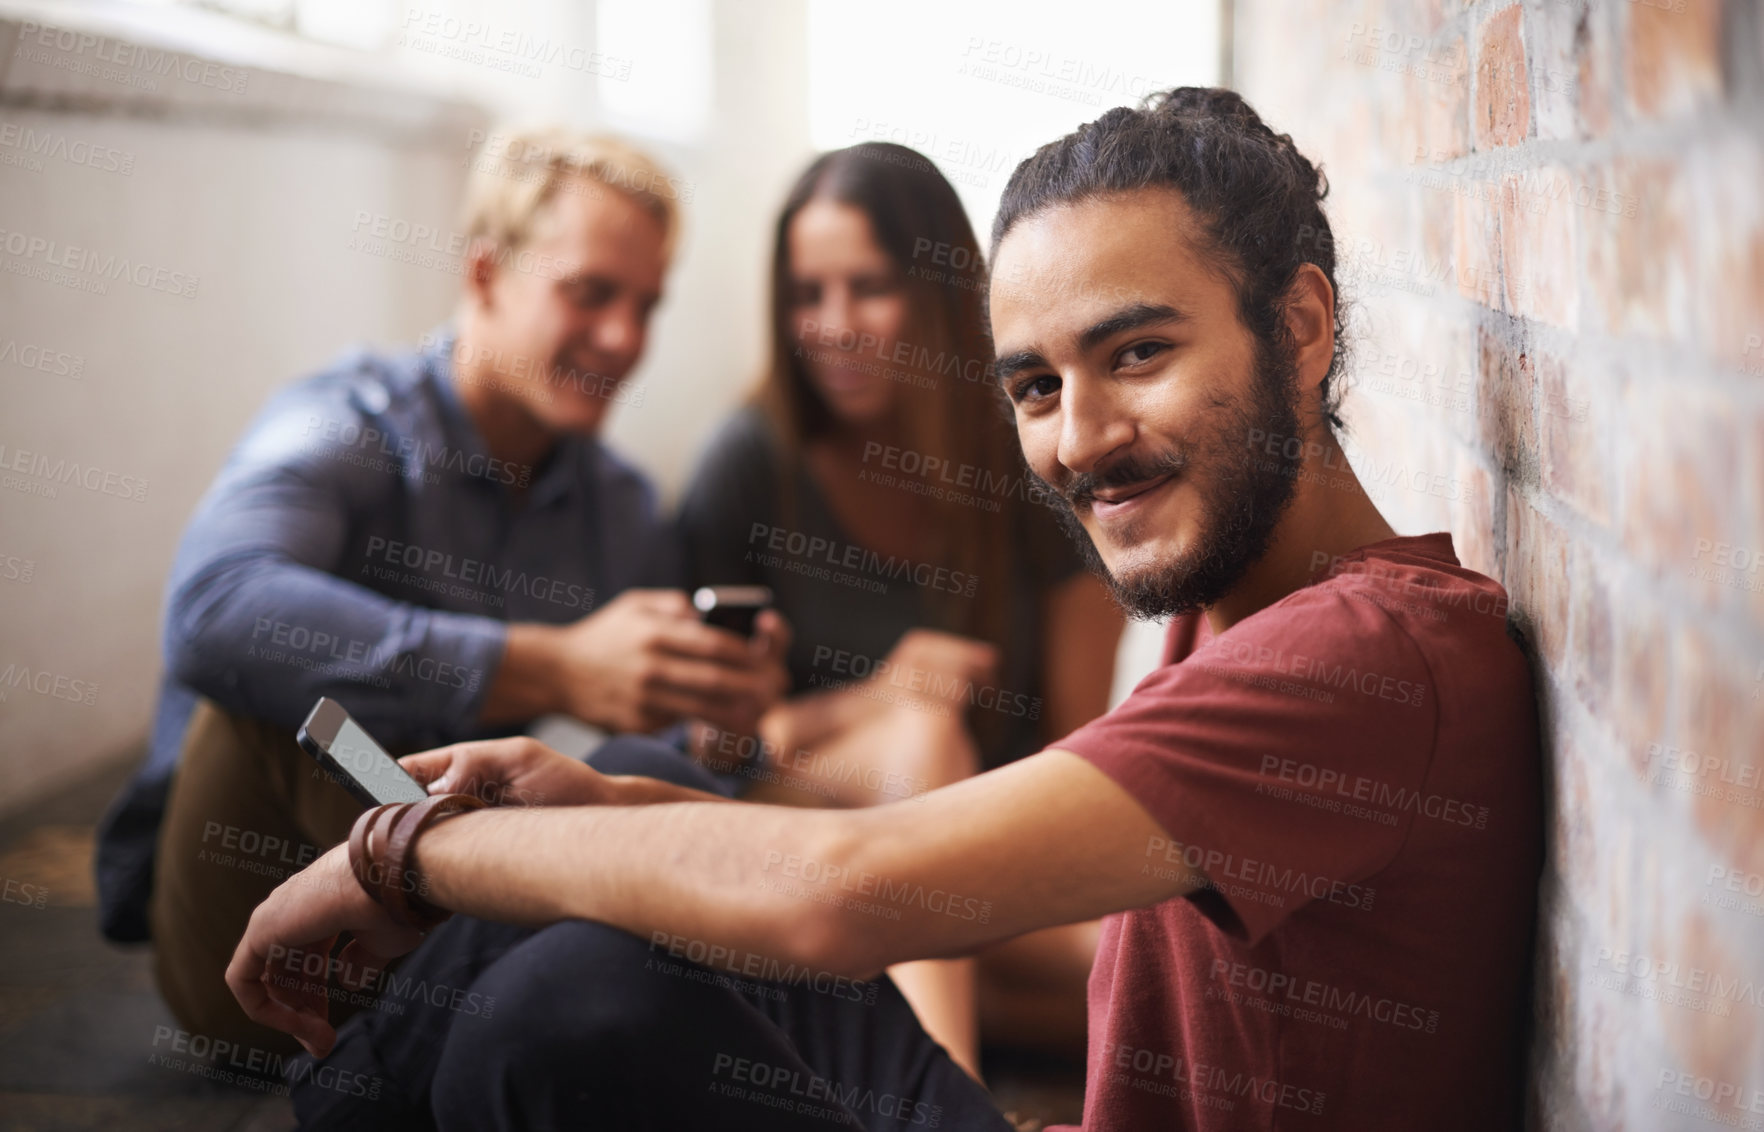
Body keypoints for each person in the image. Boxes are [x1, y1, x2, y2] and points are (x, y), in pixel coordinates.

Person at [233, 88, 1542, 1131]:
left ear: (1301, 324)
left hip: (883, 878)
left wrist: (398, 857)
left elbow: (842, 894)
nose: (1081, 437)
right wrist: (607, 803)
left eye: (1138, 351)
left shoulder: (1369, 654)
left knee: (569, 1006)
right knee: (607, 783)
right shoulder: (1237, 600)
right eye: (1034, 386)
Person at [97, 127, 789, 1050]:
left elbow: (646, 752)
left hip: (449, 885)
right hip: (252, 927)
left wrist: (709, 726)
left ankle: (550, 1001)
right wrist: (546, 668)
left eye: (646, 305)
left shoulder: (619, 505)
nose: (624, 339)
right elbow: (213, 610)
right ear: (484, 274)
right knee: (293, 693)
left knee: (636, 793)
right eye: (589, 294)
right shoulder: (345, 418)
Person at [676, 141, 1123, 1073]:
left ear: (939, 292)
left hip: (982, 856)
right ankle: (947, 1095)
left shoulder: (1031, 460)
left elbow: (1076, 755)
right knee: (920, 739)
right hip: (789, 828)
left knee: (1127, 954)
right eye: (808, 293)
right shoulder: (751, 464)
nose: (833, 325)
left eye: (867, 287)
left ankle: (937, 1030)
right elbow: (703, 751)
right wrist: (876, 699)